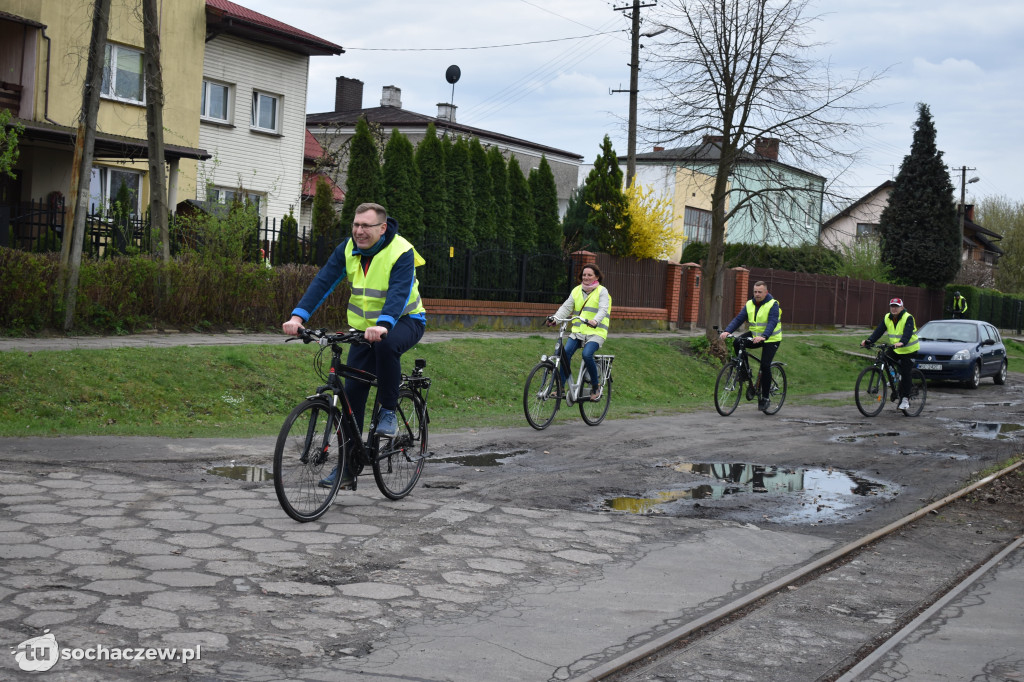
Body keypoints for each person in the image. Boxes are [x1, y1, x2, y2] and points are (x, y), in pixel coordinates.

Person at [282, 202, 426, 488]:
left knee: (386, 347)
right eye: (356, 225)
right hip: (363, 329)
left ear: (382, 228)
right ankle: (348, 468)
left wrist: (384, 325)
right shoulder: (348, 248)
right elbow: (323, 281)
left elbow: (398, 293)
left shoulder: (401, 250)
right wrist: (298, 317)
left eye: (366, 226)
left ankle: (388, 409)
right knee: (353, 394)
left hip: (405, 321)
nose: (359, 231)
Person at [547, 264, 611, 401]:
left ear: (597, 276)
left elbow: (603, 309)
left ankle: (596, 386)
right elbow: (566, 307)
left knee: (587, 355)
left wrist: (595, 320)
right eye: (584, 275)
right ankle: (561, 388)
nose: (586, 277)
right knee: (564, 355)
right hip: (578, 332)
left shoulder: (602, 291)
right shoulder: (576, 290)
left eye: (589, 275)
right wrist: (555, 319)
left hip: (596, 332)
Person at [718, 281, 782, 413]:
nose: (757, 294)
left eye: (760, 292)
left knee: (765, 366)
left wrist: (764, 336)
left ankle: (765, 398)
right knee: (737, 342)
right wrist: (727, 331)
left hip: (771, 339)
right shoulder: (750, 304)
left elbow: (772, 322)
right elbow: (739, 319)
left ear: (766, 292)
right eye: (755, 292)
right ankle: (745, 373)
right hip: (755, 336)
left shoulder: (773, 305)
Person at [861, 297, 919, 411]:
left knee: (906, 373)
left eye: (896, 306)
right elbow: (879, 330)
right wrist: (869, 341)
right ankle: (895, 376)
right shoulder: (888, 317)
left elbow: (907, 332)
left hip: (909, 350)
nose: (894, 308)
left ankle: (905, 400)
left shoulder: (908, 317)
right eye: (892, 306)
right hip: (896, 348)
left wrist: (902, 342)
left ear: (901, 307)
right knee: (885, 357)